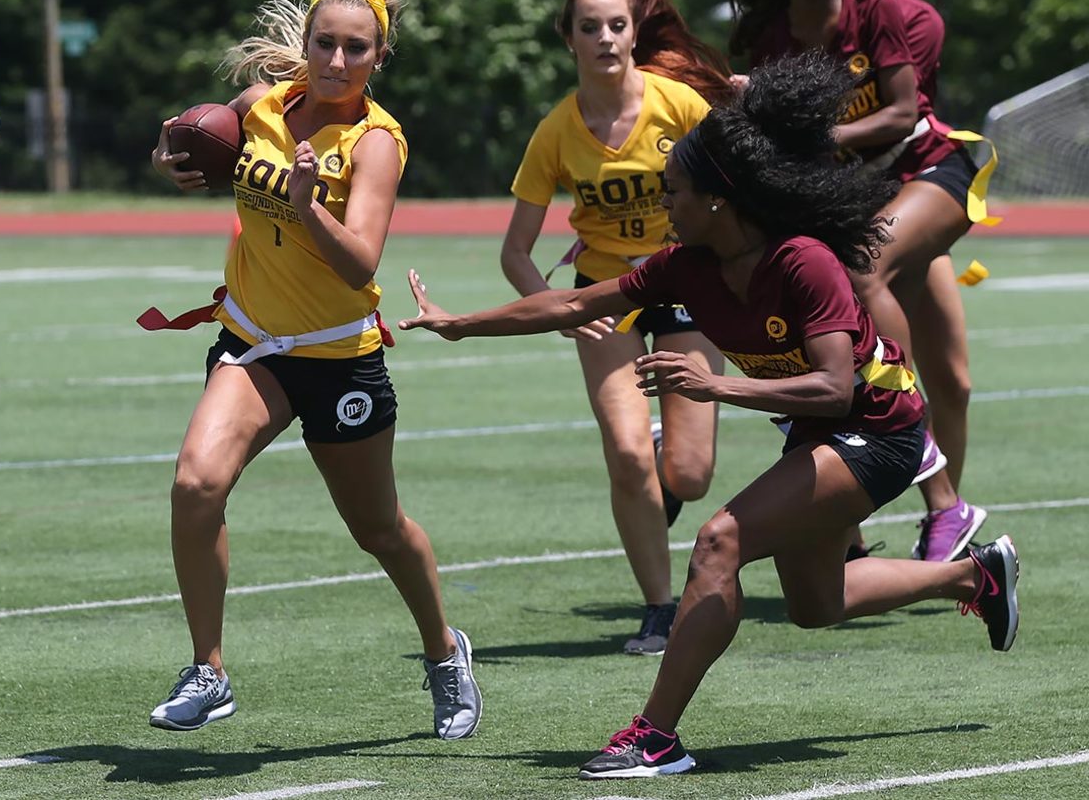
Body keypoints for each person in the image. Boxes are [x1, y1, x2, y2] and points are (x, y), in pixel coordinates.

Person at [399, 51, 1019, 779]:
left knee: (720, 541)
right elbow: (573, 302)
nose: (665, 206)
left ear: (720, 200)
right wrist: (461, 322)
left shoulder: (803, 262)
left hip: (879, 432)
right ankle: (973, 578)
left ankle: (655, 737)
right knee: (815, 604)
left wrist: (716, 388)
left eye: (676, 193)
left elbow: (834, 390)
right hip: (826, 428)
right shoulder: (686, 263)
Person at [143, 0, 482, 738]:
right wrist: (172, 159)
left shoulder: (376, 141)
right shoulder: (259, 106)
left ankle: (442, 650)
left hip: (339, 356)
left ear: (378, 57)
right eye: (325, 42)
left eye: (355, 48)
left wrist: (304, 207)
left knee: (378, 528)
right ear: (306, 41)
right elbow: (192, 144)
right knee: (196, 485)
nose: (337, 60)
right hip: (256, 343)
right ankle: (209, 669)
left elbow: (362, 260)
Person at [694, 0, 989, 562]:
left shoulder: (880, 12)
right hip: (852, 200)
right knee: (822, 324)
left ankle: (934, 481)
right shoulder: (770, 35)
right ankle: (848, 525)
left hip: (927, 174)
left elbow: (899, 114)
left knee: (862, 275)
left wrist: (811, 132)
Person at [502, 0, 732, 655]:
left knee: (688, 475)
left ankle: (664, 459)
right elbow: (516, 251)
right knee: (628, 455)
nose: (604, 38)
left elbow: (739, 192)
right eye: (589, 27)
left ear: (635, 34)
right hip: (608, 298)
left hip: (688, 286)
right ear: (567, 39)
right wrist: (562, 309)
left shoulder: (680, 107)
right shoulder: (556, 132)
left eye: (616, 25)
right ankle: (660, 608)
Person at [844, 0, 976, 502]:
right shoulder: (819, 24)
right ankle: (856, 533)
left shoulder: (915, 17)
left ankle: (943, 515)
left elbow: (893, 119)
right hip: (859, 211)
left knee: (953, 382)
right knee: (863, 381)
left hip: (914, 195)